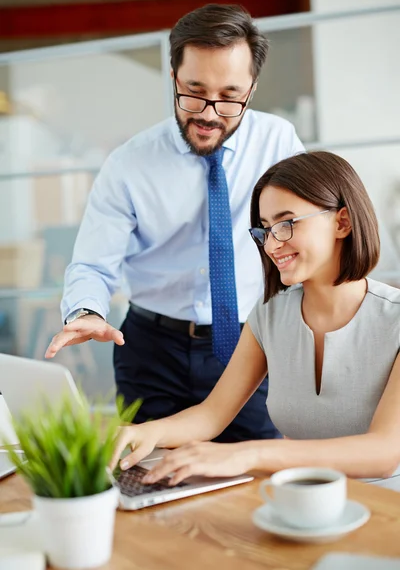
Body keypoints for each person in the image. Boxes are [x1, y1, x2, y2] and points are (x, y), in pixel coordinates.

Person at [45, 4, 303, 442]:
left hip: (252, 344)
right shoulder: (129, 164)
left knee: (254, 479)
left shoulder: (279, 144)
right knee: (146, 478)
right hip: (151, 350)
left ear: (252, 89)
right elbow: (93, 263)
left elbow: (309, 237)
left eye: (229, 96)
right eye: (194, 91)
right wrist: (87, 311)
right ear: (173, 77)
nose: (208, 113)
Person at [110, 151, 400, 489]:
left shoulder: (394, 320)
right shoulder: (268, 316)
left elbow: (384, 453)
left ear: (342, 222)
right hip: (300, 506)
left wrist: (250, 455)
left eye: (286, 223)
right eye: (265, 230)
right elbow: (212, 415)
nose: (272, 244)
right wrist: (145, 431)